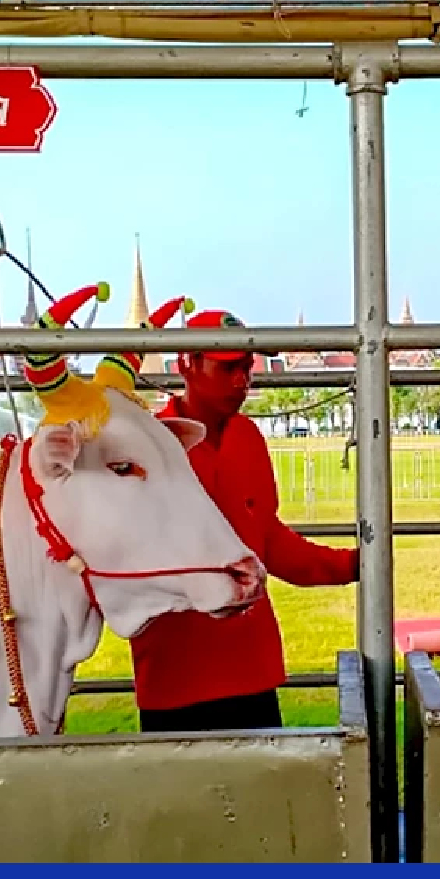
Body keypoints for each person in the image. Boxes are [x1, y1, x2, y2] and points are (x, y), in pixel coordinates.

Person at [132, 308, 359, 732]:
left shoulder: (248, 437)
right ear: (188, 363)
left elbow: (265, 539)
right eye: (228, 368)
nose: (242, 380)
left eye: (247, 367)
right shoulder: (148, 448)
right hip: (175, 676)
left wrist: (350, 565)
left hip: (251, 670)